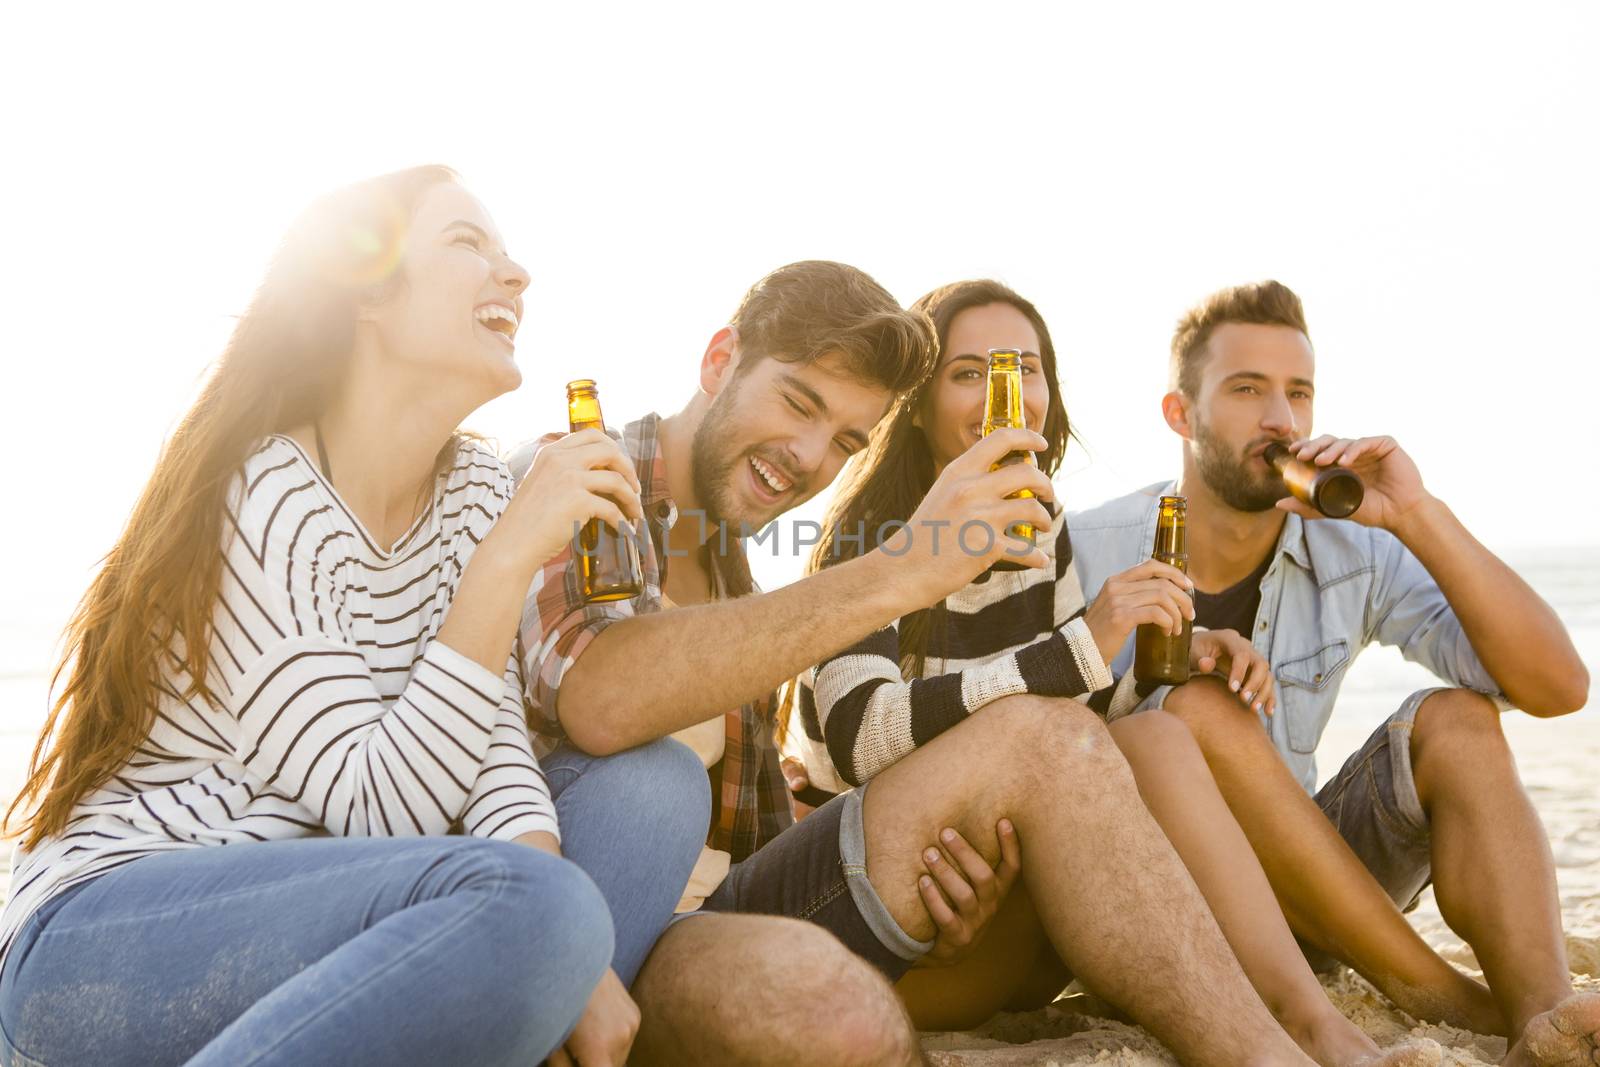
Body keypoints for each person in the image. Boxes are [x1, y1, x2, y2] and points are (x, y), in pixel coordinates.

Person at [514, 260, 1365, 1067]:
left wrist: (911, 899)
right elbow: (600, 692)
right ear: (719, 358)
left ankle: (1278, 1042)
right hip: (597, 925)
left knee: (1068, 743)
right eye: (797, 402)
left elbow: (767, 831)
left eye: (845, 436)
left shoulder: (740, 559)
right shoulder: (585, 477)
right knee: (845, 1010)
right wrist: (913, 567)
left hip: (725, 909)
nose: (810, 458)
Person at [0, 166, 707, 1067]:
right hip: (111, 943)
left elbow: (493, 752)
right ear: (367, 296)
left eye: (508, 251)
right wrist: (508, 558)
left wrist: (577, 962)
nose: (516, 273)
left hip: (331, 915)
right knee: (547, 909)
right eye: (467, 244)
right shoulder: (264, 493)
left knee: (654, 789)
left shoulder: (477, 486)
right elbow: (380, 809)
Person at [795, 278, 1439, 1067]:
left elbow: (1083, 714)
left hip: (1007, 909)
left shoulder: (1039, 524)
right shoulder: (869, 536)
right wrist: (1089, 636)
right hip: (895, 918)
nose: (1007, 397)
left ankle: (1306, 1017)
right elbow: (867, 737)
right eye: (972, 373)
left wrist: (1180, 654)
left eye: (1025, 370)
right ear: (918, 403)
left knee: (1167, 730)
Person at [1068, 280, 1596, 1067]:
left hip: (1312, 900)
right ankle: (1449, 997)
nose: (1280, 419)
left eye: (1298, 393)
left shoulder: (1351, 546)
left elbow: (1558, 688)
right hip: (1168, 899)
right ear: (1181, 414)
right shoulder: (1085, 549)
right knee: (1198, 708)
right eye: (1247, 390)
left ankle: (1543, 1014)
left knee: (1457, 718)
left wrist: (1415, 514)